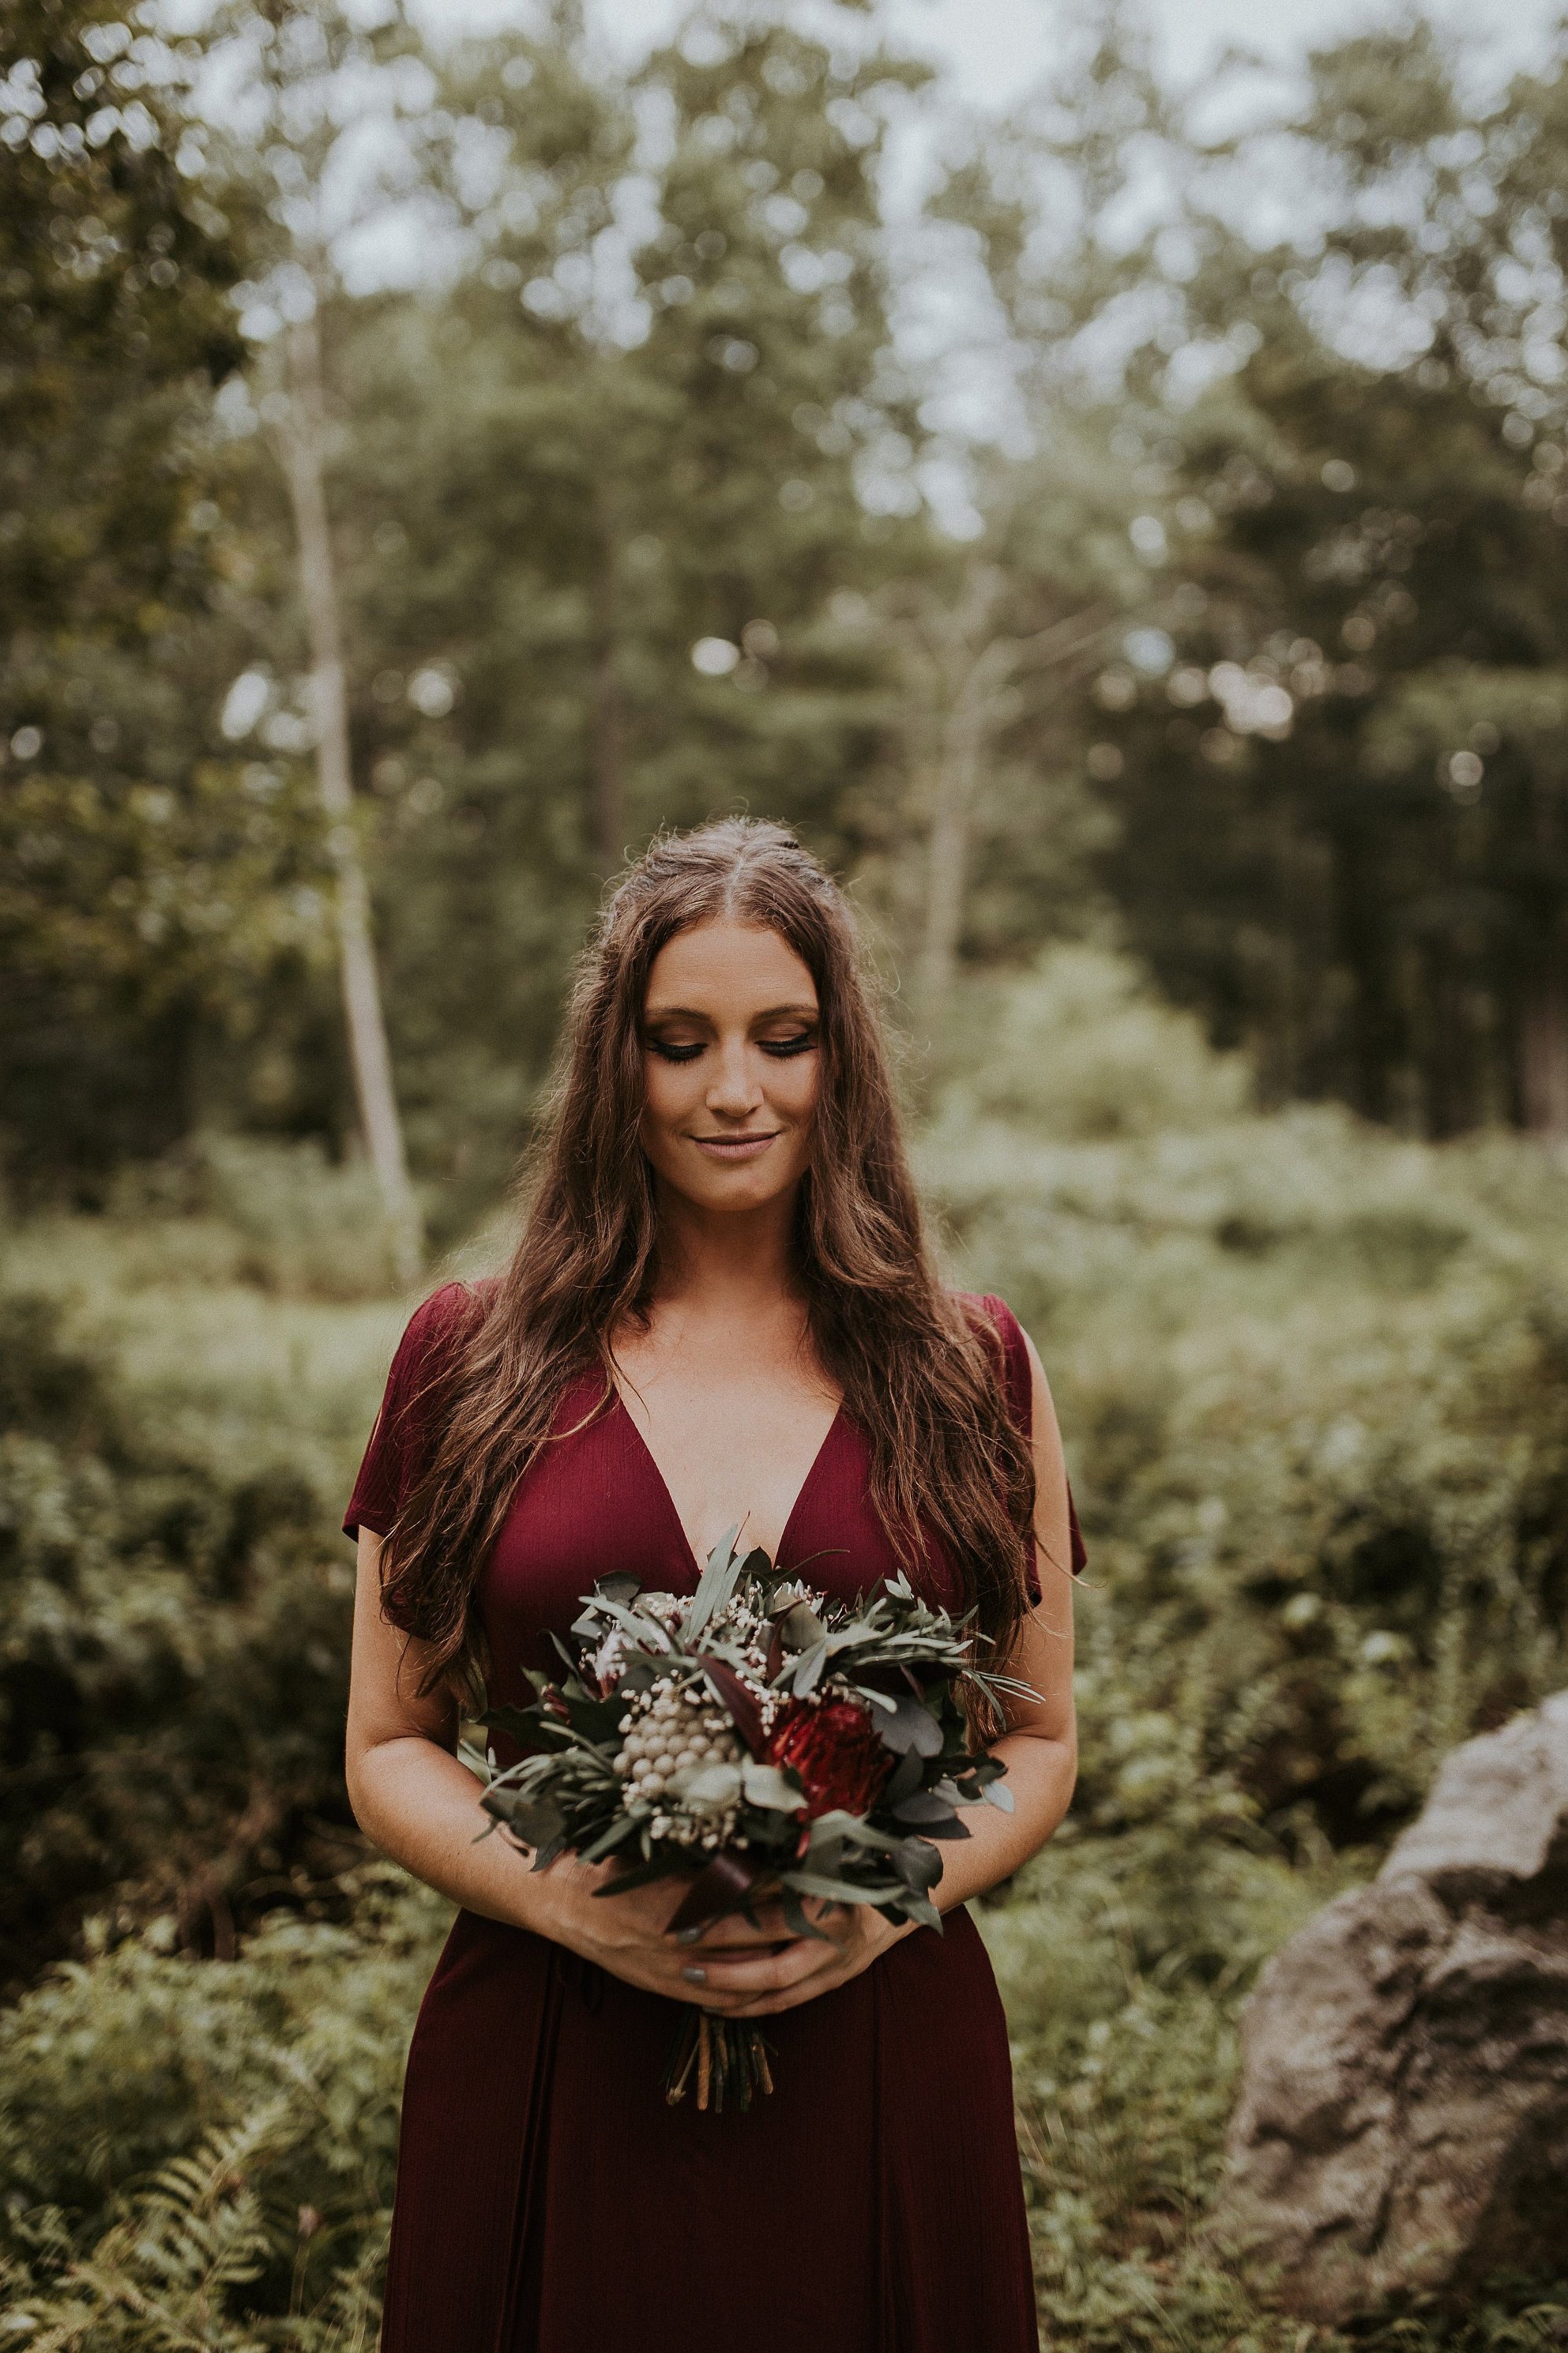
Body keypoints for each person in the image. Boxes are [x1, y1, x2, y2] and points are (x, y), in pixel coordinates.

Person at [344, 818, 1085, 2353]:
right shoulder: (465, 1355)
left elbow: (1038, 1739)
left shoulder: (972, 1364)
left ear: (841, 1058)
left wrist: (877, 1903)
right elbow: (387, 1743)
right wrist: (574, 1902)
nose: (733, 1090)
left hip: (876, 2054)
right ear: (614, 1062)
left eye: (781, 1039)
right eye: (679, 1043)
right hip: (554, 2047)